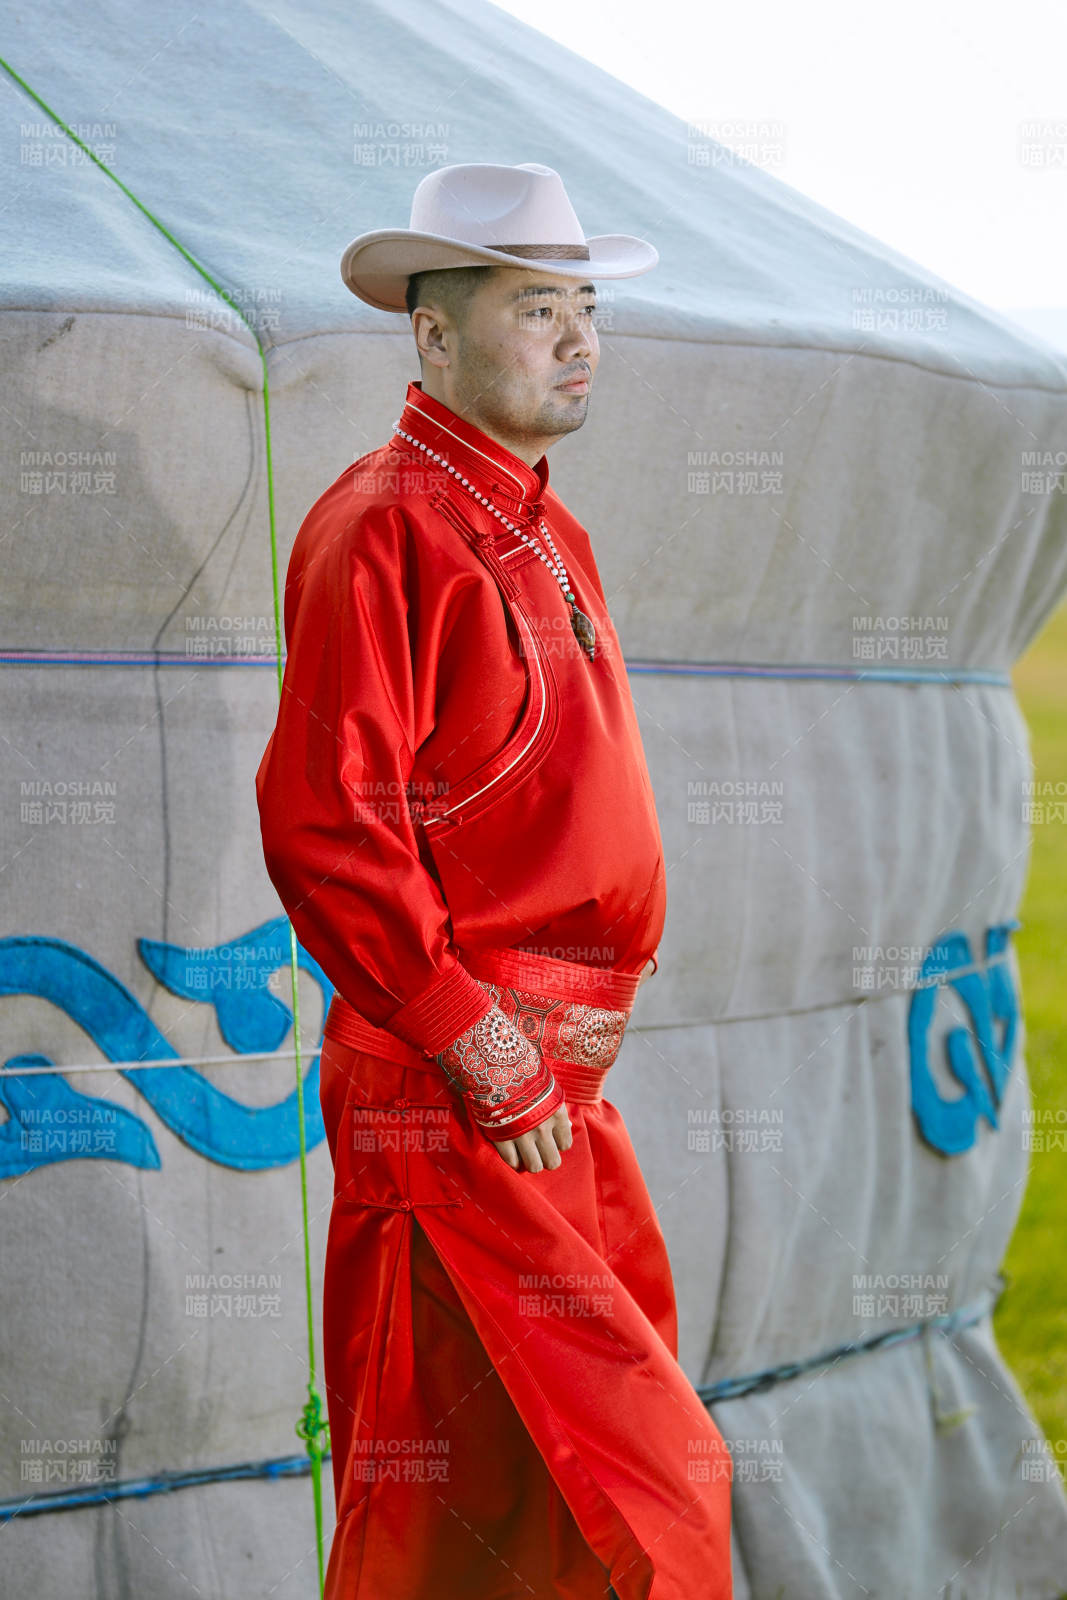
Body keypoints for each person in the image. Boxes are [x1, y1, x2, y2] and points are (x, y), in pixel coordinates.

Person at [255, 161, 733, 1600]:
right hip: (457, 1091)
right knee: (630, 1500)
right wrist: (483, 1048)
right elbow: (328, 822)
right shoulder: (382, 525)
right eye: (537, 308)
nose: (580, 339)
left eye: (586, 306)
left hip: (554, 1101)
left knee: (519, 1517)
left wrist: (536, 1077)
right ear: (434, 330)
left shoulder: (544, 526)